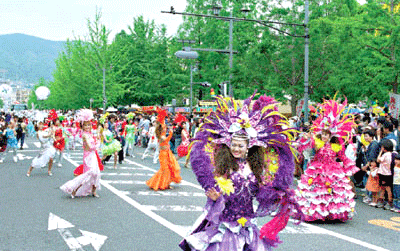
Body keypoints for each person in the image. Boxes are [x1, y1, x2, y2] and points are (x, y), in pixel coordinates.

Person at [179, 93, 302, 251]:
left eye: (240, 146)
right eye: (234, 145)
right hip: (227, 222)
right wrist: (215, 196)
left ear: (248, 147)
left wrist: (275, 195)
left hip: (247, 222)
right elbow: (216, 188)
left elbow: (259, 193)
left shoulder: (256, 167)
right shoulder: (223, 165)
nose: (236, 149)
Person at [296, 99, 358, 222]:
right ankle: (316, 213)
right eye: (323, 133)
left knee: (332, 193)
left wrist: (349, 166)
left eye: (327, 134)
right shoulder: (317, 143)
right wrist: (306, 139)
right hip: (318, 169)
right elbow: (305, 146)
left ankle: (331, 214)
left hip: (333, 170)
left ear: (331, 136)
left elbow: (343, 157)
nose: (324, 136)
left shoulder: (336, 146)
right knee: (318, 193)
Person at [60, 109, 102, 198]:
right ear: (82, 126)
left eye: (89, 125)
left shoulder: (90, 134)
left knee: (97, 173)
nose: (87, 126)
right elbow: (90, 146)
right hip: (88, 156)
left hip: (93, 155)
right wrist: (97, 144)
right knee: (88, 174)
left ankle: (94, 191)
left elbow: (94, 144)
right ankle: (74, 189)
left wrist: (98, 140)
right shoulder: (84, 135)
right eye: (85, 125)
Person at [146, 109, 181, 190]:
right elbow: (166, 140)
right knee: (164, 169)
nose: (166, 129)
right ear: (162, 130)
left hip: (167, 152)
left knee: (168, 169)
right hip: (164, 154)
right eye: (164, 129)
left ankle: (166, 183)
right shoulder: (161, 137)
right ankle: (162, 183)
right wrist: (171, 133)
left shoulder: (162, 134)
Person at [377, 139, 394, 210]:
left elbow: (378, 160)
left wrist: (380, 152)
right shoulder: (392, 154)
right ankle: (386, 201)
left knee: (384, 188)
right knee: (386, 188)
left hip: (384, 174)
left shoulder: (385, 155)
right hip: (388, 174)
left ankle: (386, 202)